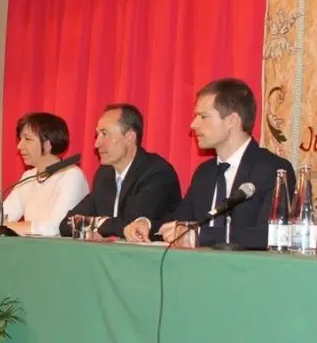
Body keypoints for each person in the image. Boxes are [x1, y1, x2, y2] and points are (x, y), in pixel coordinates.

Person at [123, 78, 296, 248]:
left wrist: (201, 235)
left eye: (203, 116)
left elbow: (271, 234)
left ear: (232, 120)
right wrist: (146, 225)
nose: (193, 124)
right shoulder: (205, 173)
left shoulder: (273, 170)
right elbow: (179, 221)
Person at [59, 104, 181, 238]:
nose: (97, 144)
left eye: (104, 134)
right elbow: (66, 224)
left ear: (129, 137)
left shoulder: (157, 172)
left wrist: (95, 223)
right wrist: (103, 224)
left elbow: (132, 225)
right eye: (97, 135)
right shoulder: (104, 174)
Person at [0, 112, 89, 236]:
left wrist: (3, 226)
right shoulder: (29, 176)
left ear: (47, 144)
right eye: (20, 139)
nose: (19, 146)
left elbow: (53, 228)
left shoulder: (71, 176)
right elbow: (4, 215)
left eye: (27, 139)